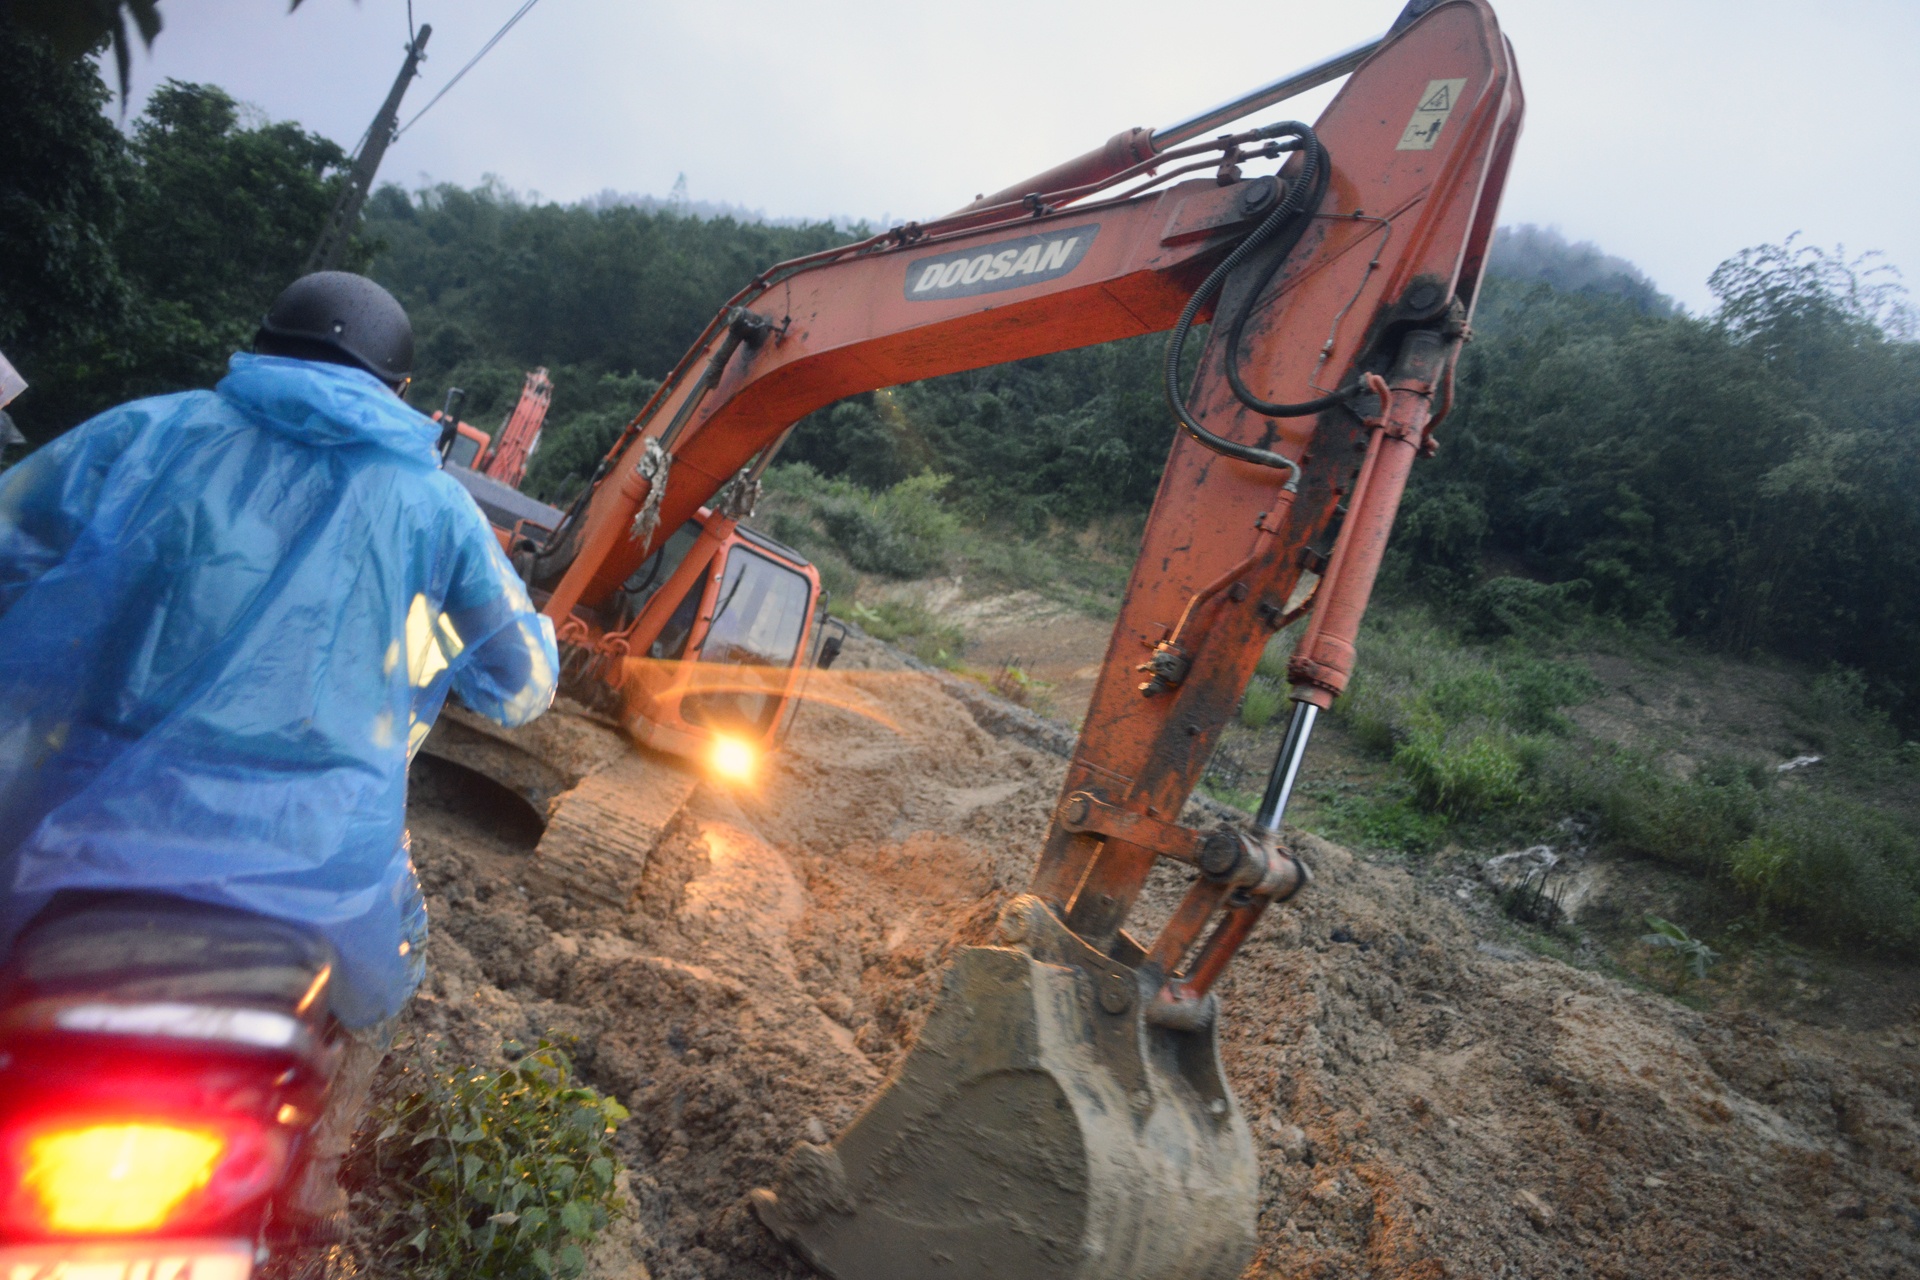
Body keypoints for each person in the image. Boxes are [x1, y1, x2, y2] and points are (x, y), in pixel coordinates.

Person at [0, 271, 559, 1223]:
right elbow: (521, 689)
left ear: (263, 345)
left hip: (84, 831)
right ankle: (310, 1191)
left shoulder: (142, 435)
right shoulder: (435, 506)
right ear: (395, 389)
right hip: (322, 871)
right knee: (391, 978)